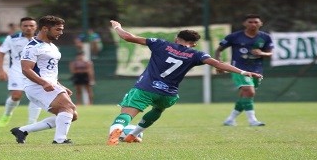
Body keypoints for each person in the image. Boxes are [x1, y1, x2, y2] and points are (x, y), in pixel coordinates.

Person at [106, 20, 263, 145]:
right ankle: (132, 135)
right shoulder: (196, 54)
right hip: (168, 94)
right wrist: (243, 71)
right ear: (193, 43)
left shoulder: (160, 44)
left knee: (127, 114)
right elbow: (218, 64)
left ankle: (117, 131)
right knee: (158, 110)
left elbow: (127, 37)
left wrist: (117, 27)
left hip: (146, 88)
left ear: (176, 38)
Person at [10, 15, 78, 145]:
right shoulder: (32, 47)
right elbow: (26, 69)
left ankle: (22, 130)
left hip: (49, 85)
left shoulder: (52, 46)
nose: (61, 32)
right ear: (45, 29)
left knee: (72, 115)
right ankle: (60, 140)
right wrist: (43, 82)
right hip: (37, 86)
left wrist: (60, 85)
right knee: (68, 107)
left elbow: (48, 71)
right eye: (58, 29)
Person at [215, 14, 273, 127]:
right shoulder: (234, 36)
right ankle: (253, 121)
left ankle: (230, 119)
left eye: (256, 22)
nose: (253, 24)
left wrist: (262, 53)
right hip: (239, 68)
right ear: (244, 23)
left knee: (245, 95)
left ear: (261, 24)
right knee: (249, 91)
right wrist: (219, 65)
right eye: (250, 22)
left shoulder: (265, 37)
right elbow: (219, 50)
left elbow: (271, 53)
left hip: (256, 69)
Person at [0, 17, 42, 127]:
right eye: (25, 26)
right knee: (16, 95)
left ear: (36, 27)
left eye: (31, 25)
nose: (28, 28)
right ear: (21, 27)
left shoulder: (42, 40)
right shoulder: (12, 38)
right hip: (17, 70)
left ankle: (32, 123)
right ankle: (7, 114)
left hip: (36, 71)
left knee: (36, 96)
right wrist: (0, 70)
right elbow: (1, 53)